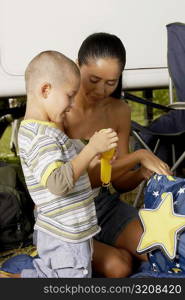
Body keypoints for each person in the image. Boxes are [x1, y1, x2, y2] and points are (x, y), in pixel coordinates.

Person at [0, 50, 119, 278]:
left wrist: (95, 158)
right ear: (46, 90)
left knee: (59, 276)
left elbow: (71, 167)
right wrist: (92, 148)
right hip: (63, 234)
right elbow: (58, 183)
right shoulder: (39, 137)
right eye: (70, 95)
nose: (73, 104)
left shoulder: (49, 130)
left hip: (70, 230)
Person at [64, 32, 172, 277]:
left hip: (105, 207)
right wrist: (138, 156)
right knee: (119, 267)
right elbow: (73, 181)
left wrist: (141, 173)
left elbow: (118, 183)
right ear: (77, 66)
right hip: (67, 213)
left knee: (163, 249)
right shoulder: (62, 109)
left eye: (110, 82)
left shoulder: (119, 110)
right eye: (93, 79)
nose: (101, 89)